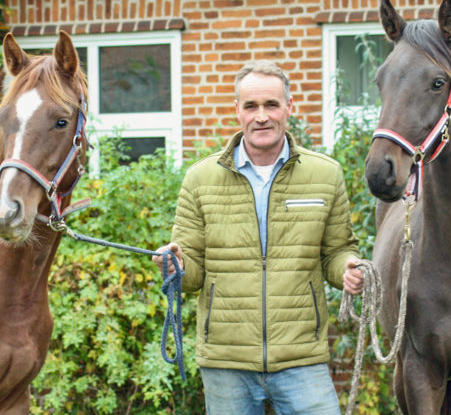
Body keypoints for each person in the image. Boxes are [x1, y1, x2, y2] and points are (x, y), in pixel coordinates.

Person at [155, 59, 364, 415]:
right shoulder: (200, 179)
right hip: (226, 359)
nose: (261, 116)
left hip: (301, 355)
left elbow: (337, 249)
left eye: (271, 104)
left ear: (289, 108)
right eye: (251, 106)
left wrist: (347, 268)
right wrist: (174, 265)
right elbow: (191, 273)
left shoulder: (325, 174)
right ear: (237, 110)